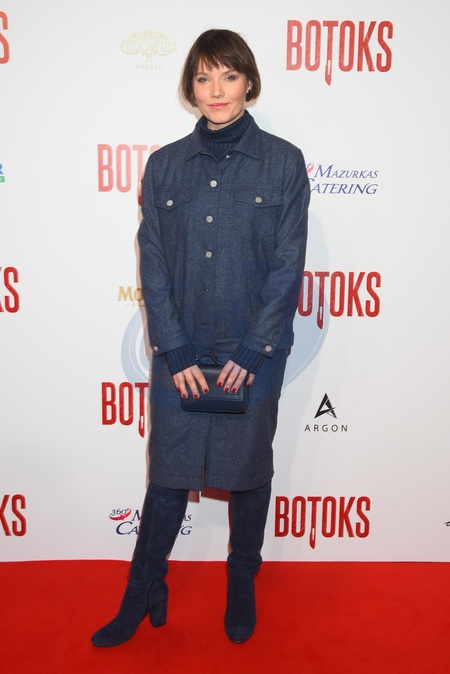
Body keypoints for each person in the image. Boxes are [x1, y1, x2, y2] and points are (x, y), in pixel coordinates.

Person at [92, 28, 309, 648]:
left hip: (253, 352)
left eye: (229, 75)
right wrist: (174, 347)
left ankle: (241, 581)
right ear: (191, 87)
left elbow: (288, 264)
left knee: (248, 472)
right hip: (182, 350)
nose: (217, 90)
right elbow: (154, 262)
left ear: (249, 82)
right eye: (204, 77)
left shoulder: (284, 162)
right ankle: (143, 589)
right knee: (168, 475)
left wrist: (254, 348)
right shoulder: (164, 166)